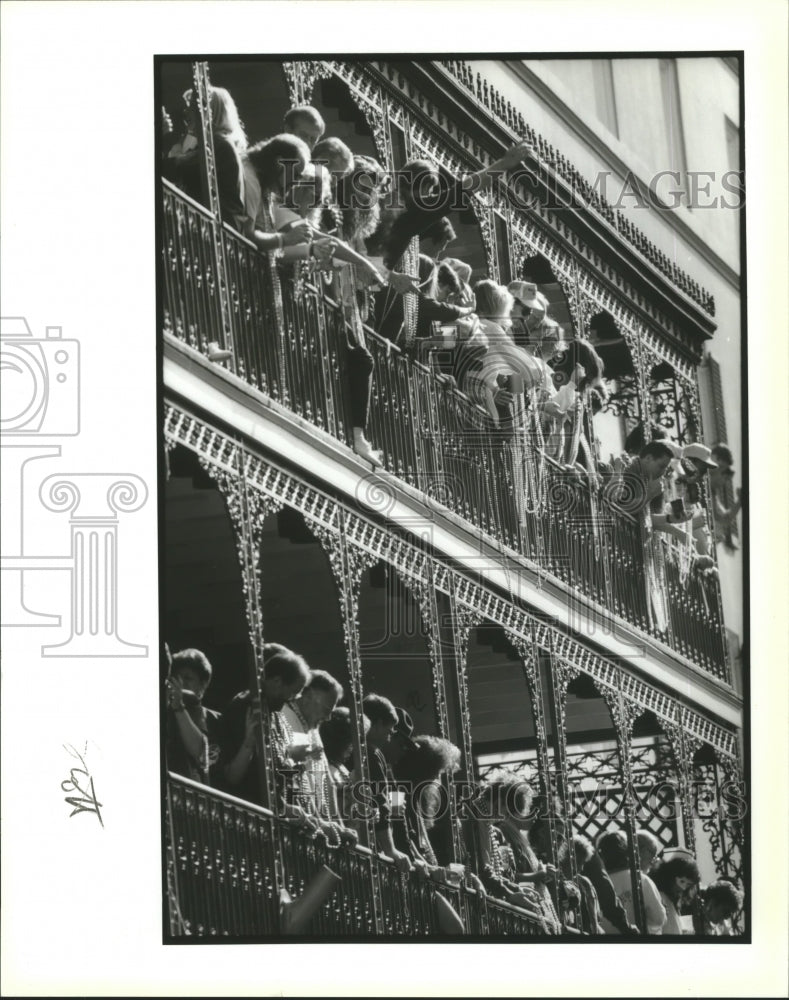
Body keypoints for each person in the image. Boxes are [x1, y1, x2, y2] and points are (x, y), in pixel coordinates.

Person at [218, 642, 310, 806]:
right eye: (293, 692)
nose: (293, 699)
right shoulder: (246, 707)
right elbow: (237, 776)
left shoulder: (274, 714)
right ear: (276, 681)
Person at [162, 86, 248, 232]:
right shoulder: (214, 142)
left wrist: (161, 137)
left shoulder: (218, 143)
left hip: (221, 233)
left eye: (192, 107)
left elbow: (175, 168)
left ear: (210, 111)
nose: (186, 112)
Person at [281, 669, 344, 825]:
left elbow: (327, 782)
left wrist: (338, 825)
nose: (328, 717)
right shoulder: (288, 718)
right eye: (326, 710)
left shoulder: (312, 727)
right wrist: (323, 826)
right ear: (308, 696)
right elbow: (301, 782)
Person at [358, 694, 413, 873]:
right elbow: (384, 807)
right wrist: (391, 850)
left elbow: (399, 819)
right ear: (378, 724)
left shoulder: (390, 772)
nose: (403, 751)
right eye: (391, 734)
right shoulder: (373, 754)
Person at [244, 134, 314, 252]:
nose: (296, 182)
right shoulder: (251, 180)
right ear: (279, 163)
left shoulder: (265, 184)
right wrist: (285, 238)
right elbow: (247, 235)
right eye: (295, 174)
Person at [165, 646, 222, 786]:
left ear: (202, 685)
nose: (181, 683)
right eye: (177, 677)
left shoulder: (210, 717)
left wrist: (179, 707)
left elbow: (202, 755)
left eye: (188, 678)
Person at [651, 850, 701, 934]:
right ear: (670, 877)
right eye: (681, 881)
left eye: (688, 884)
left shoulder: (675, 901)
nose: (683, 888)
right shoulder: (660, 897)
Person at [709, 444, 743, 550]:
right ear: (713, 458)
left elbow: (724, 518)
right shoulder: (695, 469)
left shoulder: (712, 492)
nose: (720, 472)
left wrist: (740, 501)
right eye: (721, 467)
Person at [636, 828, 668, 934]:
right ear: (639, 850)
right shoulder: (643, 880)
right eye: (652, 852)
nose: (654, 859)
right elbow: (659, 919)